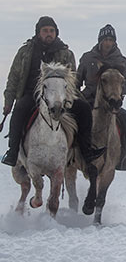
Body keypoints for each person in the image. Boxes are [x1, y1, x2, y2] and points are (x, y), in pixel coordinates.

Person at [2, 16, 105, 167]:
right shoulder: (25, 52)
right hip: (32, 94)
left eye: (52, 31)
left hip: (60, 96)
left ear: (56, 33)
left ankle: (86, 151)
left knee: (83, 109)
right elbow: (14, 78)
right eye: (45, 31)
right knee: (19, 110)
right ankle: (13, 152)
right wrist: (8, 102)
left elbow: (72, 79)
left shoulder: (66, 53)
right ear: (38, 33)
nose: (49, 34)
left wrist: (68, 97)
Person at [76, 24, 126, 171]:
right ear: (100, 41)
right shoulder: (88, 58)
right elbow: (77, 82)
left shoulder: (122, 61)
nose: (108, 43)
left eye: (111, 40)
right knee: (72, 121)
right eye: (105, 39)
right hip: (88, 102)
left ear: (115, 42)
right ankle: (71, 154)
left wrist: (115, 89)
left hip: (112, 104)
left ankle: (124, 157)